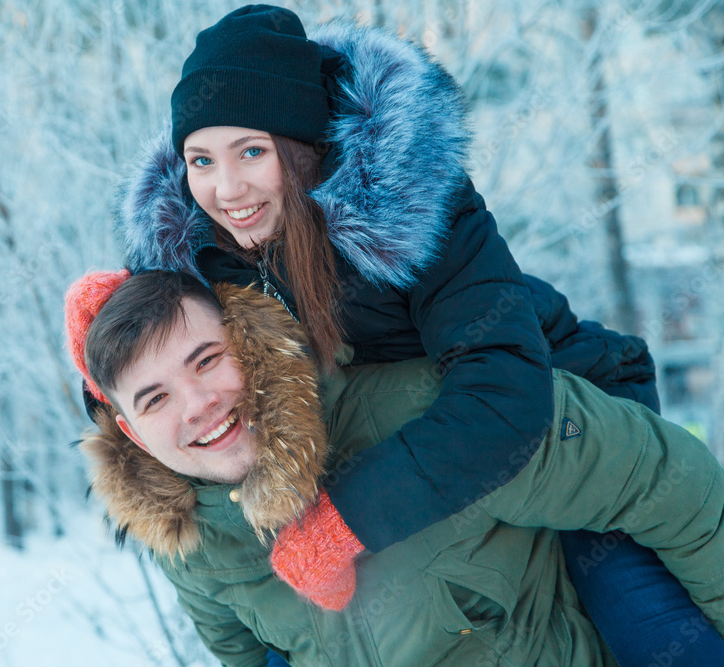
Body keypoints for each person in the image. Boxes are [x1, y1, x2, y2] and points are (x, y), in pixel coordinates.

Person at [112, 5, 723, 663]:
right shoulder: (198, 243)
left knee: (651, 630)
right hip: (417, 451)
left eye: (251, 151)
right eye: (201, 159)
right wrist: (98, 328)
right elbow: (144, 374)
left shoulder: (416, 206)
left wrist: (342, 522)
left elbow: (502, 401)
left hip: (567, 426)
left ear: (304, 149)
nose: (226, 187)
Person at [65, 269, 724, 666]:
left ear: (248, 340)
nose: (199, 404)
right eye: (155, 399)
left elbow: (662, 479)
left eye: (207, 359)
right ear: (133, 434)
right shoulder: (191, 544)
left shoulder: (423, 410)